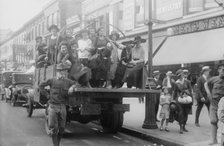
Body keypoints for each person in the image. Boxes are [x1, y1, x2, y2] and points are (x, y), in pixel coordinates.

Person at [39, 64, 77, 146]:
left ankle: (57, 144)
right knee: (54, 128)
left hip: (62, 107)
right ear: (57, 72)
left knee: (62, 129)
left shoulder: (67, 81)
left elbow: (76, 83)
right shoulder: (52, 80)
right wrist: (47, 95)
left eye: (64, 71)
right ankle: (55, 145)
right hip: (53, 106)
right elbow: (41, 85)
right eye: (60, 71)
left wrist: (72, 87)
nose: (62, 73)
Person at [204, 61, 224, 145]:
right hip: (214, 103)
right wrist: (208, 93)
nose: (223, 71)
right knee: (213, 120)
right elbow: (206, 83)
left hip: (223, 104)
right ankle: (214, 139)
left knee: (223, 122)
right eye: (222, 69)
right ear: (219, 70)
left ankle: (222, 141)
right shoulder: (214, 78)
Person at [173, 69, 193, 134]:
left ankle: (184, 126)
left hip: (187, 99)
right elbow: (175, 92)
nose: (180, 76)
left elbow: (190, 90)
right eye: (179, 76)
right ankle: (181, 127)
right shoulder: (176, 83)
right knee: (181, 112)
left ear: (183, 74)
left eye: (181, 75)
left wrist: (191, 99)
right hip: (179, 99)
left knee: (186, 113)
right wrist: (173, 100)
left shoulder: (188, 82)